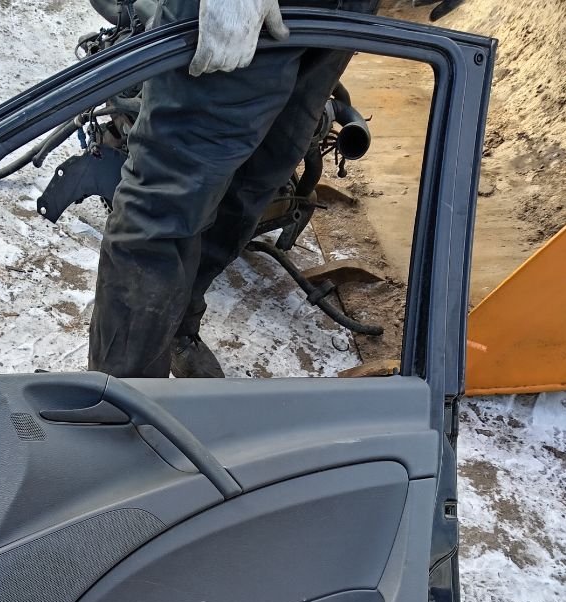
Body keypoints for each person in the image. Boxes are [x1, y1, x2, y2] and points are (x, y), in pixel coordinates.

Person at [88, 0, 380, 379]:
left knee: (253, 184)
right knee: (168, 199)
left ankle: (174, 327)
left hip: (341, 12)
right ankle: (119, 396)